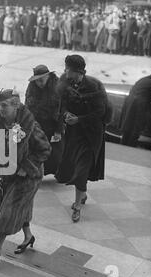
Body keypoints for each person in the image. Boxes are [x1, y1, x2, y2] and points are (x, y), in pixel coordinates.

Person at [0, 89, 51, 269]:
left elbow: (45, 150)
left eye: (4, 105)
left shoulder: (30, 126)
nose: (0, 109)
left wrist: (25, 167)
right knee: (15, 206)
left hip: (29, 175)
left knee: (9, 208)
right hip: (9, 172)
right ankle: (28, 236)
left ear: (16, 106)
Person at [56, 55, 107, 223]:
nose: (65, 71)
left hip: (91, 136)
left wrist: (79, 119)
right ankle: (82, 193)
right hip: (74, 135)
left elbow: (100, 113)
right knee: (76, 167)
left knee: (81, 170)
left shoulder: (94, 87)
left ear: (76, 71)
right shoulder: (66, 85)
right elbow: (62, 105)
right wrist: (66, 115)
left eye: (67, 68)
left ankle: (77, 206)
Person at [25, 65, 64, 176]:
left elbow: (61, 110)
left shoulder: (57, 86)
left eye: (41, 80)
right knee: (37, 149)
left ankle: (57, 172)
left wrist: (58, 130)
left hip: (53, 123)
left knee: (55, 153)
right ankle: (37, 172)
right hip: (37, 123)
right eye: (36, 81)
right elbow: (28, 105)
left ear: (48, 76)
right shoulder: (32, 87)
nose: (39, 83)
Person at [120, 62, 151, 147]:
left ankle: (124, 145)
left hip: (131, 104)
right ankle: (130, 146)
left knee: (129, 126)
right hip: (139, 105)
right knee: (136, 126)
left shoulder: (144, 79)